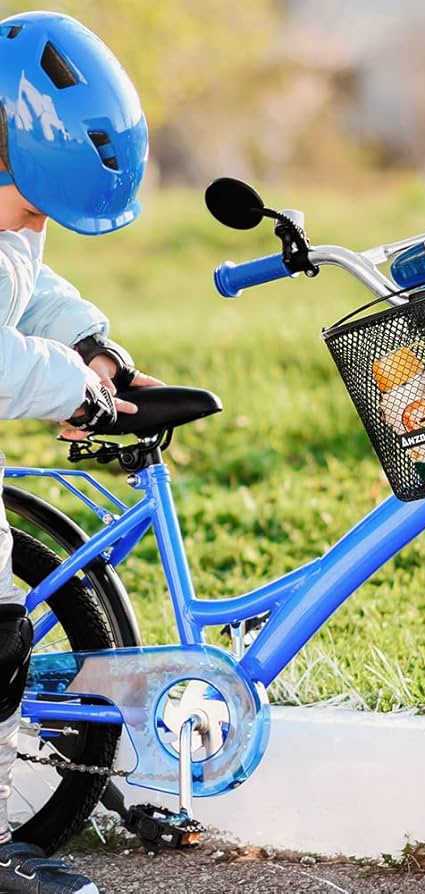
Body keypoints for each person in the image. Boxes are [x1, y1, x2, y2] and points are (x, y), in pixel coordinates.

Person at [0, 11, 160, 892]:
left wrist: (89, 342)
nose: (35, 225)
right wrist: (73, 387)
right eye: (34, 204)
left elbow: (25, 286)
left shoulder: (12, 214)